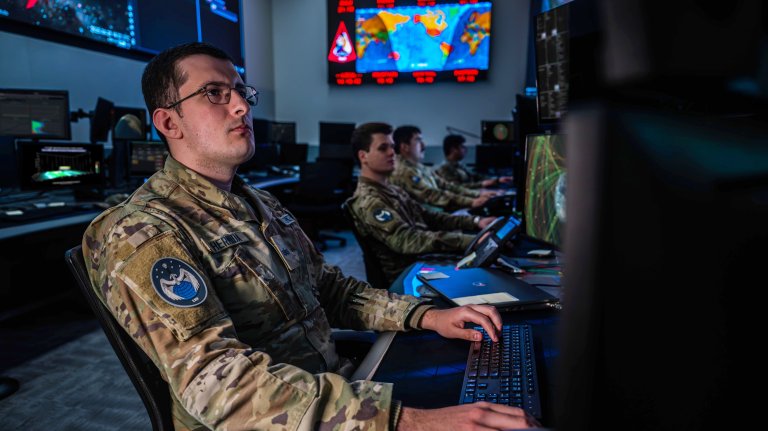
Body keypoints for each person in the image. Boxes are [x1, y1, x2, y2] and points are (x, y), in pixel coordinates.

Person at [81, 42, 537, 431]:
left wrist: (425, 315)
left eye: (242, 92)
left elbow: (332, 290)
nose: (241, 106)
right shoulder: (143, 232)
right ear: (168, 123)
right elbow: (219, 384)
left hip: (338, 393)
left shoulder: (260, 204)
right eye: (215, 94)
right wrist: (408, 421)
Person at [348, 122, 496, 286]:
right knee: (487, 277)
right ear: (363, 156)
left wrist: (476, 222)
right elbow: (409, 240)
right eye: (383, 148)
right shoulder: (369, 201)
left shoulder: (391, 189)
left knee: (491, 265)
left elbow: (429, 217)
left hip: (423, 263)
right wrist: (470, 241)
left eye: (392, 146)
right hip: (409, 277)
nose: (392, 152)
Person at [390, 125, 494, 212]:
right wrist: (471, 201)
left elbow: (446, 185)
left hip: (439, 216)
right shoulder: (403, 171)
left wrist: (477, 194)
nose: (424, 145)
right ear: (404, 147)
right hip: (428, 224)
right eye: (418, 141)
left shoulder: (420, 167)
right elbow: (432, 195)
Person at [435, 134, 513, 188]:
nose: (465, 149)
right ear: (453, 149)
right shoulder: (445, 168)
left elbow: (474, 176)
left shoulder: (458, 165)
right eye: (462, 147)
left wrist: (496, 180)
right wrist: (482, 184)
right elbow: (457, 187)